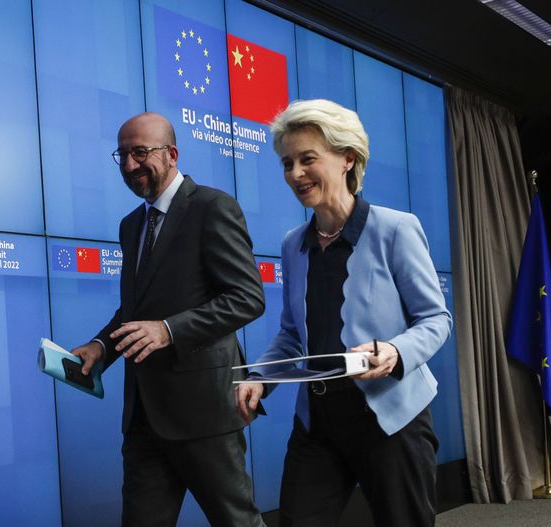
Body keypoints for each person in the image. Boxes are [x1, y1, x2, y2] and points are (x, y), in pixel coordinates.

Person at [235, 99, 452, 527]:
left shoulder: (396, 228)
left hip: (392, 421)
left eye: (307, 159)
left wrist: (393, 351)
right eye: (287, 163)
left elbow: (436, 320)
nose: (295, 174)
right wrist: (260, 377)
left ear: (347, 158)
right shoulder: (292, 244)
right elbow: (292, 335)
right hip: (318, 425)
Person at [71, 112, 266, 527]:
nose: (129, 165)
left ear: (172, 153)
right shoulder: (131, 225)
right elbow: (135, 310)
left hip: (205, 413)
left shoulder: (213, 207)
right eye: (121, 155)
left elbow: (247, 298)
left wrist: (169, 330)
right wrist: (101, 347)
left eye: (140, 152)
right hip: (143, 417)